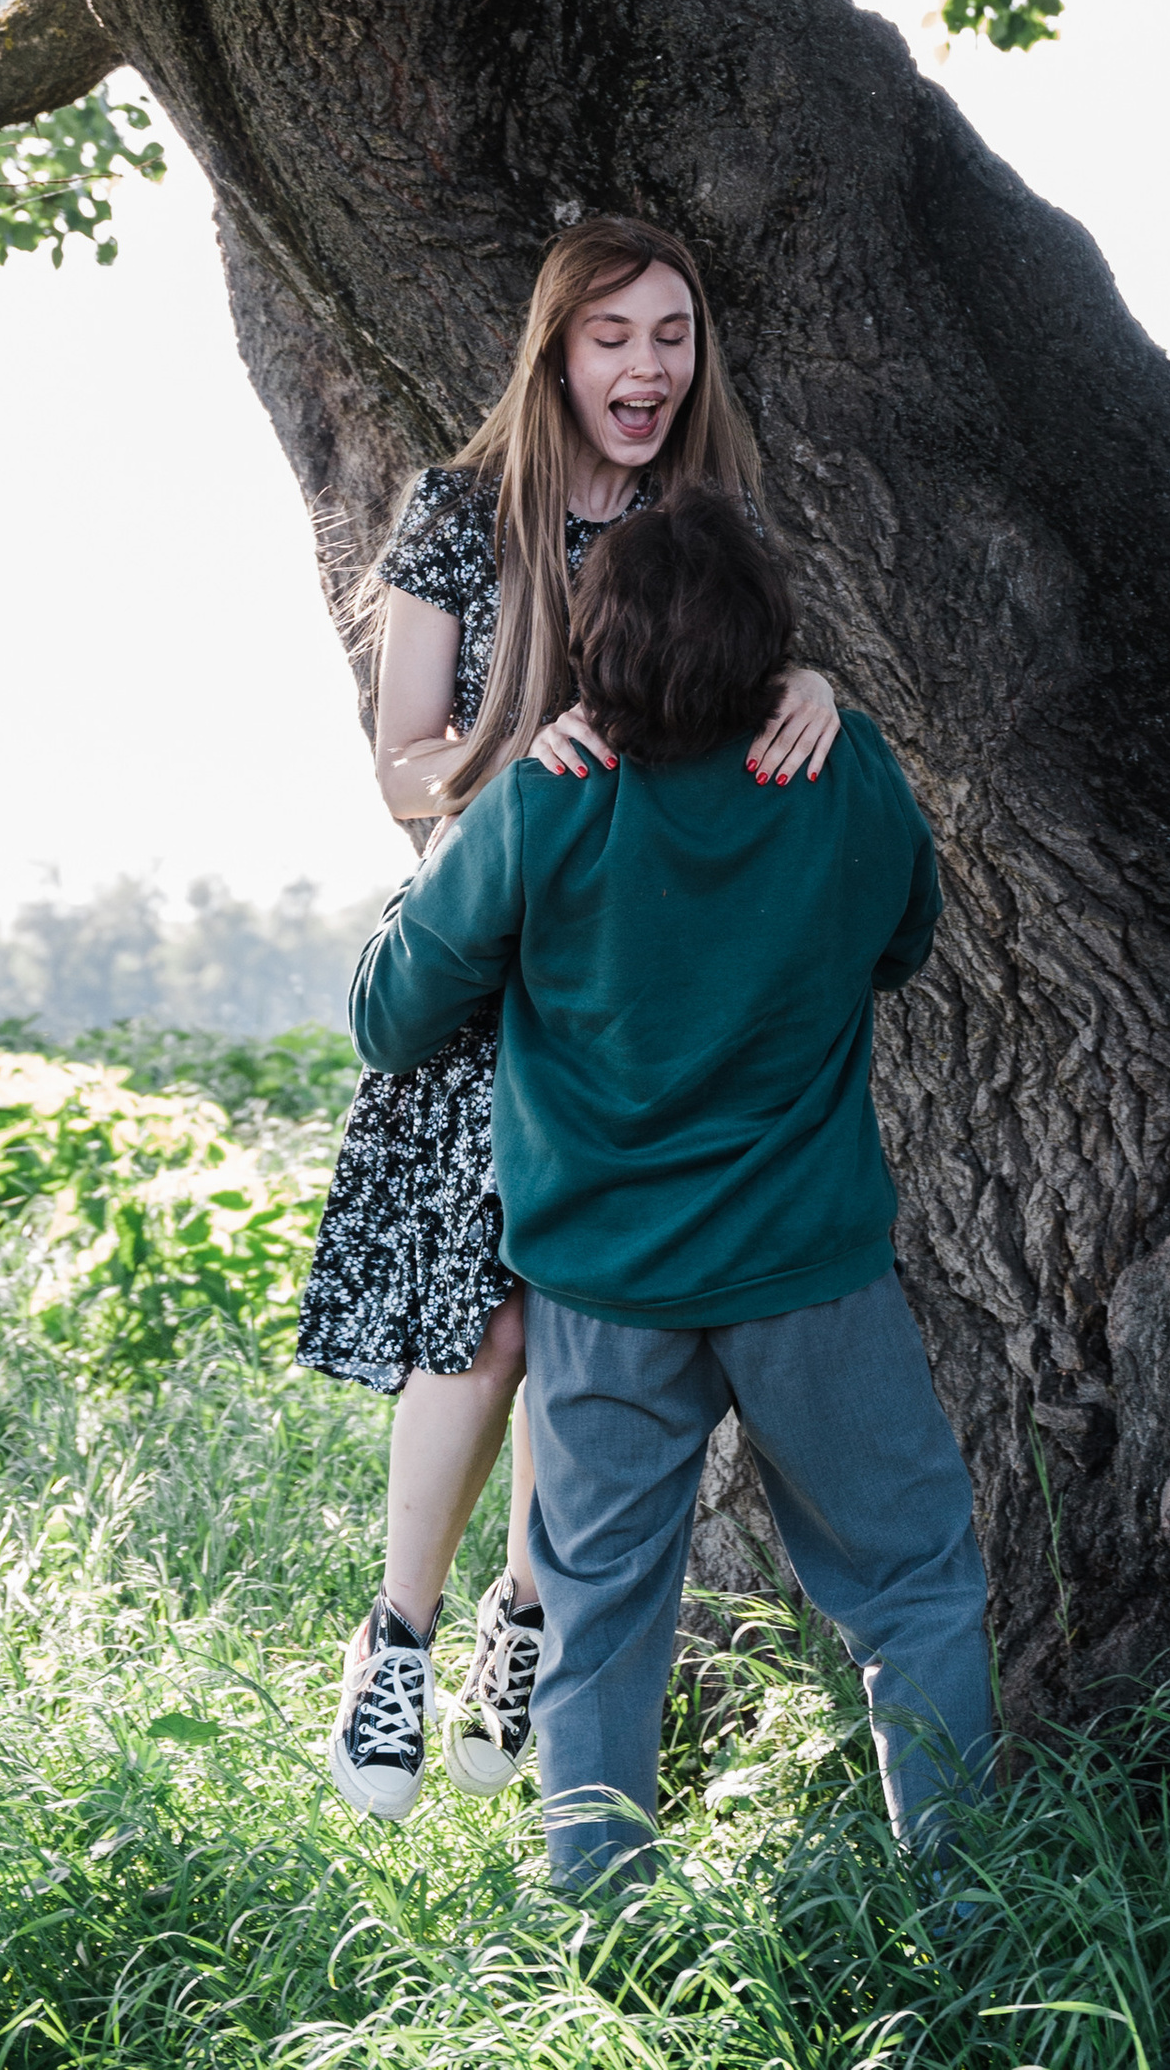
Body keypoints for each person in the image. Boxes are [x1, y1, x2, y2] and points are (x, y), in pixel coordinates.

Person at [348, 487, 994, 1896]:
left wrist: (471, 830)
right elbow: (906, 940)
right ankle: (963, 1908)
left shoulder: (546, 804)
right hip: (808, 1268)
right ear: (770, 647)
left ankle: (605, 1932)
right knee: (915, 1587)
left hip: (608, 1293)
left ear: (597, 649)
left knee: (599, 1620)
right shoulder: (839, 769)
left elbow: (388, 1021)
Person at [297, 214, 844, 1822]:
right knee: (491, 1316)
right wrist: (508, 762)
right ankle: (396, 1637)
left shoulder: (710, 518)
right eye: (616, 337)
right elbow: (398, 759)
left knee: (587, 1311)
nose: (649, 367)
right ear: (558, 350)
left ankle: (526, 1622)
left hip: (639, 973)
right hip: (495, 960)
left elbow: (759, 705)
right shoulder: (463, 516)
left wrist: (813, 693)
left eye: (672, 335)